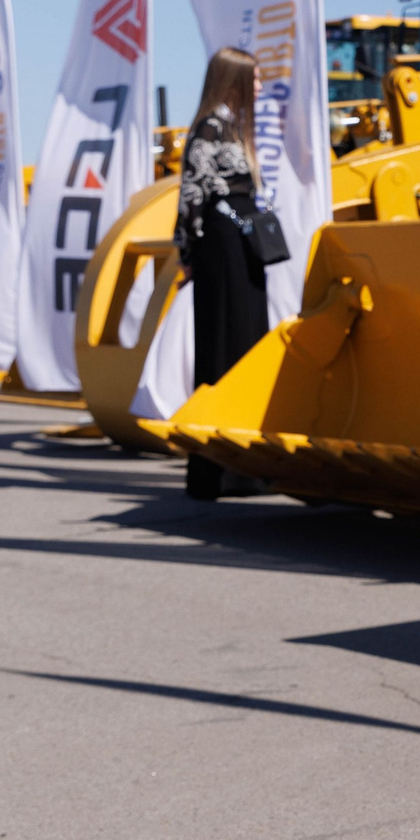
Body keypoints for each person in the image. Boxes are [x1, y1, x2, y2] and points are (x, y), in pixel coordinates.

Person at [176, 46, 274, 501]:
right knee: (222, 343)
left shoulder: (231, 127)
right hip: (222, 244)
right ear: (233, 80)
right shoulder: (212, 127)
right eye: (252, 79)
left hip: (242, 243)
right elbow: (191, 193)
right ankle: (213, 470)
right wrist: (188, 252)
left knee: (245, 342)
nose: (259, 87)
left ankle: (241, 466)